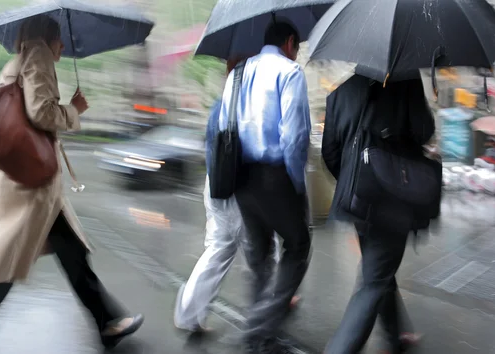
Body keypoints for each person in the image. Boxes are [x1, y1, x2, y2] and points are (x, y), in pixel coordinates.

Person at [0, 15, 143, 354]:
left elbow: (1, 123)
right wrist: (74, 109)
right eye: (61, 41)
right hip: (30, 187)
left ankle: (107, 323)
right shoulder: (38, 57)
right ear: (49, 37)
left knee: (73, 254)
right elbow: (41, 113)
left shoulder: (16, 62)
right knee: (0, 269)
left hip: (27, 183)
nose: (63, 47)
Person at [173, 58, 300, 333]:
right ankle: (269, 305)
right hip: (237, 187)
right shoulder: (247, 105)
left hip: (217, 183)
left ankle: (189, 312)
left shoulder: (221, 103)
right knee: (253, 247)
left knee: (229, 246)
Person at [321, 75, 435, 354]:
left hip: (358, 200)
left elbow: (330, 153)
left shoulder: (340, 93)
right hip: (392, 199)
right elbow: (423, 132)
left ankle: (396, 335)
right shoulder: (406, 82)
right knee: (374, 280)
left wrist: (356, 183)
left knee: (379, 268)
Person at [219, 22, 311, 353]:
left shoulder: (238, 75)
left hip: (240, 175)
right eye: (297, 47)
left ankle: (264, 338)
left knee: (259, 253)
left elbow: (222, 126)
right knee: (298, 246)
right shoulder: (290, 72)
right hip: (274, 175)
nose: (296, 53)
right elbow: (295, 136)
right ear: (289, 42)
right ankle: (256, 331)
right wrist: (297, 185)